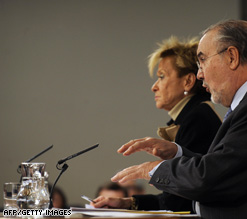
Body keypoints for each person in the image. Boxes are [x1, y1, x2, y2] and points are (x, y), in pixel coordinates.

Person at [94, 20, 247, 219]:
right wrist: (177, 152)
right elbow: (223, 167)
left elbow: (213, 179)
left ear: (232, 57)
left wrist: (153, 169)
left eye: (203, 60)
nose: (199, 74)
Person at [91, 36, 221, 212]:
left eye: (162, 76)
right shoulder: (195, 115)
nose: (154, 86)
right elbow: (175, 198)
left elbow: (180, 200)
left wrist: (150, 173)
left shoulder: (197, 118)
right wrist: (128, 202)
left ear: (188, 81)